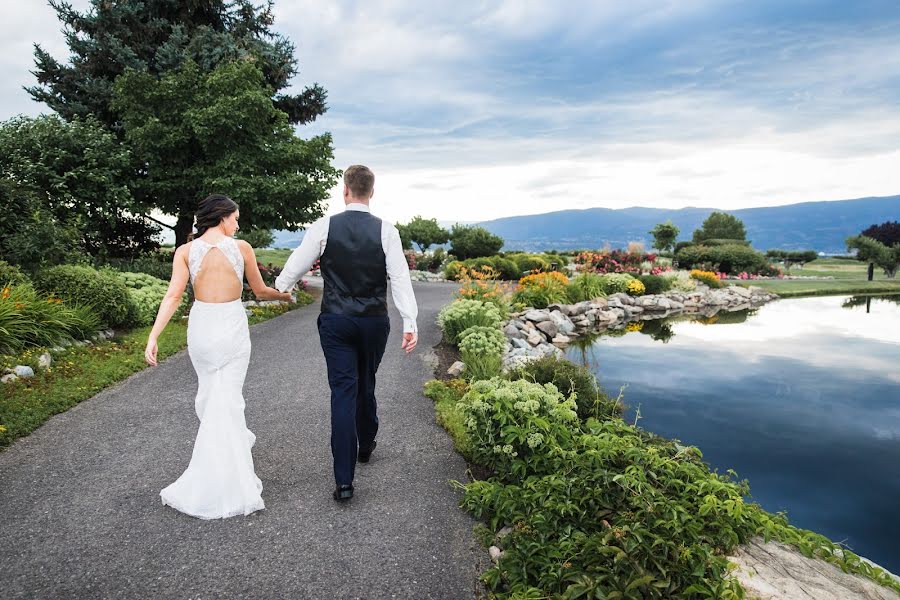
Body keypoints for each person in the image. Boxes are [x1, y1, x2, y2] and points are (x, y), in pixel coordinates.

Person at [275, 165, 418, 502]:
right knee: (365, 381)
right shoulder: (387, 231)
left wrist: (281, 285)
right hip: (373, 321)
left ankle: (344, 481)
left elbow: (296, 264)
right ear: (371, 192)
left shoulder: (324, 227)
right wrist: (409, 322)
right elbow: (399, 278)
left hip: (336, 320)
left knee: (342, 391)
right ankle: (365, 444)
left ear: (345, 190)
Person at [144, 193, 292, 519]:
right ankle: (230, 476)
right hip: (231, 327)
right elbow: (260, 290)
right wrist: (285, 294)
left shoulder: (185, 252)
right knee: (229, 399)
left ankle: (222, 462)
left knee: (211, 398)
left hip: (201, 329)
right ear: (222, 217)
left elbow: (173, 296)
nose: (237, 225)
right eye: (235, 218)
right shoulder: (241, 248)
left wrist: (153, 336)